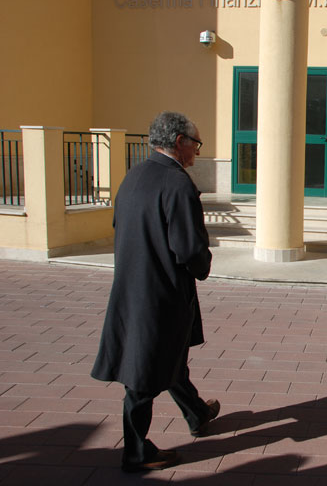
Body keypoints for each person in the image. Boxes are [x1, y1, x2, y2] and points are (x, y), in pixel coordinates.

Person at [91, 111, 220, 472]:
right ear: (179, 142)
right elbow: (190, 249)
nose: (196, 151)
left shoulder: (134, 176)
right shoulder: (177, 183)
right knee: (143, 375)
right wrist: (202, 268)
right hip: (161, 294)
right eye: (195, 143)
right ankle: (136, 452)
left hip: (132, 286)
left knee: (169, 357)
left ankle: (197, 413)